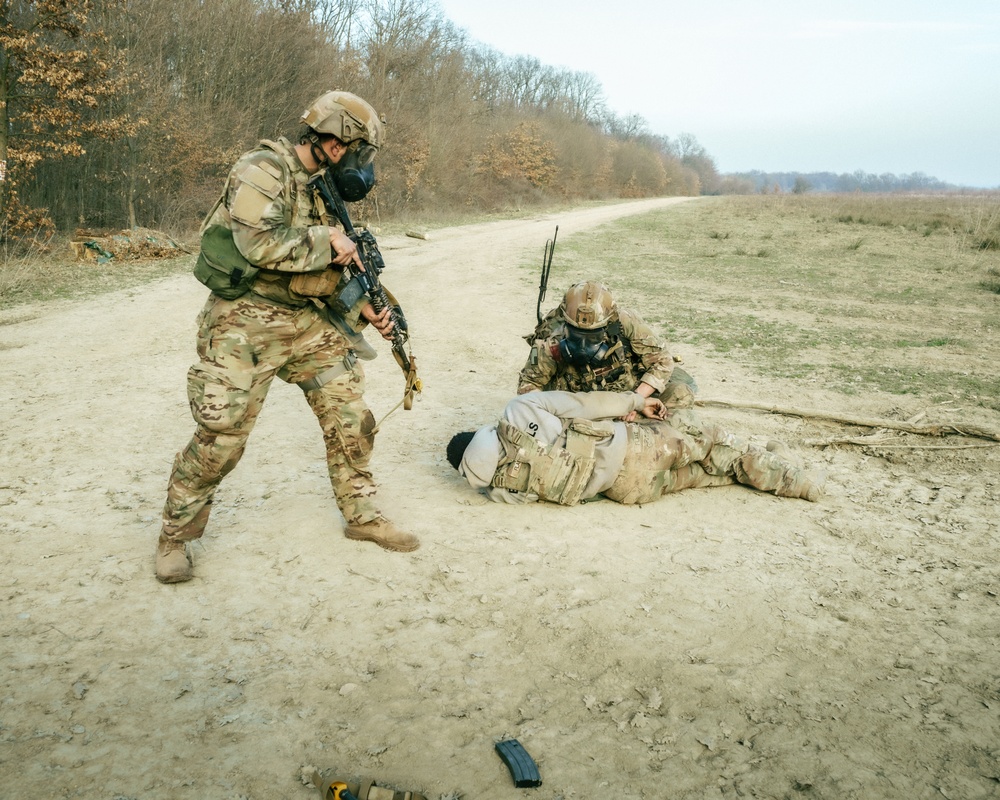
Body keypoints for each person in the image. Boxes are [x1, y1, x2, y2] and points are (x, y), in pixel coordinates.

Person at [156, 90, 418, 584]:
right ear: (336, 144)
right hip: (243, 322)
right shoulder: (262, 169)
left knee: (350, 414)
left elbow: (321, 274)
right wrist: (330, 241)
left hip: (303, 322)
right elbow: (256, 244)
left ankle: (361, 516)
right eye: (360, 152)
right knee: (221, 439)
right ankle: (175, 536)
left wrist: (364, 307)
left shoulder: (323, 188)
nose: (362, 166)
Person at [446, 391, 826, 507]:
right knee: (712, 444)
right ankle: (797, 480)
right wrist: (633, 403)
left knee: (700, 476)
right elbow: (582, 405)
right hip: (638, 448)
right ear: (476, 432)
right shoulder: (516, 412)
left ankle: (767, 463)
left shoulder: (493, 487)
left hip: (626, 491)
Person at [518, 280, 698, 417]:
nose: (583, 345)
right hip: (577, 407)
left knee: (682, 394)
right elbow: (528, 387)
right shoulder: (550, 342)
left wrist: (634, 402)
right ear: (565, 322)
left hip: (629, 394)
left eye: (593, 335)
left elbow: (662, 361)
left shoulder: (625, 323)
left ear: (608, 323)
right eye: (576, 334)